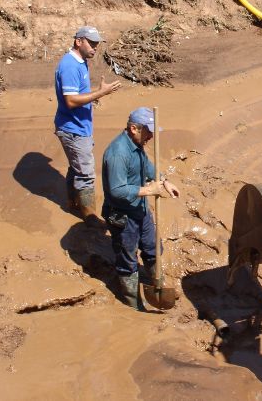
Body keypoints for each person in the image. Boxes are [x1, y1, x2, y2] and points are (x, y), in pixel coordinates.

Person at [101, 107, 180, 310]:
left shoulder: (137, 145)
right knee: (128, 260)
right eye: (149, 131)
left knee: (153, 248)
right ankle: (133, 303)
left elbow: (147, 168)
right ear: (134, 128)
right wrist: (148, 190)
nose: (152, 136)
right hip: (123, 216)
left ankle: (158, 285)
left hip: (141, 211)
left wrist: (163, 181)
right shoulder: (118, 153)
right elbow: (117, 190)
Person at [54, 25, 122, 223]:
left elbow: (78, 95)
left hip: (77, 126)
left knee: (76, 167)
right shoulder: (70, 65)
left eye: (96, 44)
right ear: (78, 41)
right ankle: (90, 219)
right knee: (86, 174)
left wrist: (93, 97)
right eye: (91, 43)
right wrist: (101, 92)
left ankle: (72, 203)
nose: (94, 48)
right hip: (73, 129)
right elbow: (71, 100)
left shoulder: (81, 61)